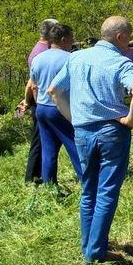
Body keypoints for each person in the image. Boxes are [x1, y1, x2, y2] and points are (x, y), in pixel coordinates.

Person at [48, 16, 133, 264]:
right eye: (130, 36)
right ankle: (96, 251)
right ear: (120, 37)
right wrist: (130, 121)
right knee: (107, 192)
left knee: (88, 191)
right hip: (112, 131)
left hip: (82, 132)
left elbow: (53, 91)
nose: (131, 41)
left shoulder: (77, 57)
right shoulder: (120, 61)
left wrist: (72, 117)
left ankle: (90, 248)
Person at [26, 23, 82, 183]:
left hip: (42, 109)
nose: (73, 41)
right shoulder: (70, 58)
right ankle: (88, 181)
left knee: (48, 149)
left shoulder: (37, 59)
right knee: (75, 144)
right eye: (71, 38)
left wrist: (39, 103)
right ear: (64, 39)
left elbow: (33, 86)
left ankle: (49, 186)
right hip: (60, 109)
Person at [18, 18, 59, 184]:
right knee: (39, 141)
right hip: (41, 102)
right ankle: (31, 178)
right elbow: (32, 84)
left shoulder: (43, 48)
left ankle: (40, 176)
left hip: (41, 101)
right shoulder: (41, 52)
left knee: (43, 141)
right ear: (50, 32)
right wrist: (34, 102)